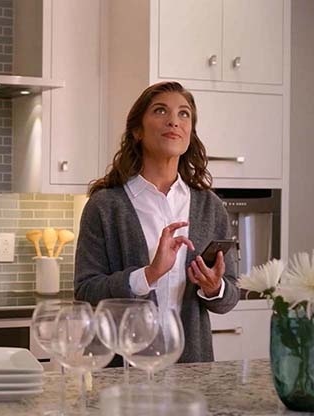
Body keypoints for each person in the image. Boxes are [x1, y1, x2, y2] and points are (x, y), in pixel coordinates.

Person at [74, 81, 240, 363]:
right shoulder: (105, 206)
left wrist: (214, 287)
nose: (174, 120)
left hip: (192, 367)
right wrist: (148, 275)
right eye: (160, 111)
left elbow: (230, 294)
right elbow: (86, 292)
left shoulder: (210, 206)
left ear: (190, 134)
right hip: (123, 370)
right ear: (137, 131)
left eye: (184, 114)